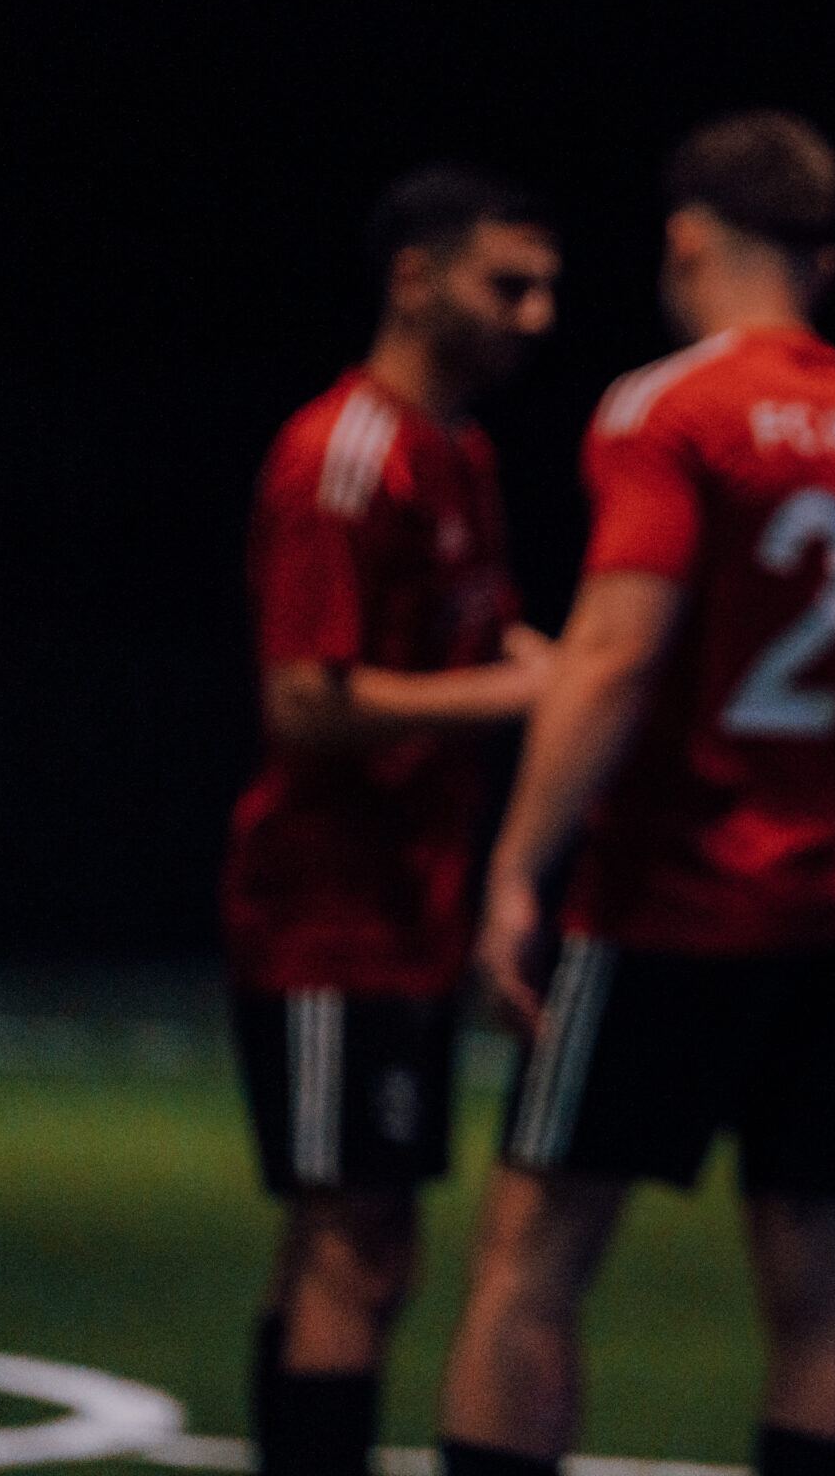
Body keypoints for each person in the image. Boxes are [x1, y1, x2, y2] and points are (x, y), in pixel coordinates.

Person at [435, 111, 835, 1476]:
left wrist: (515, 870)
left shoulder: (673, 408)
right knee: (822, 1288)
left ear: (684, 239)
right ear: (822, 262)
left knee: (531, 1264)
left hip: (669, 896)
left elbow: (613, 656)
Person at [222, 164, 562, 1476]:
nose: (535, 316)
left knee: (367, 1243)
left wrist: (582, 677)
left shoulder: (460, 453)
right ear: (414, 280)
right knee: (349, 1247)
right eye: (508, 285)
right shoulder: (343, 456)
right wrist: (528, 694)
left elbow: (489, 640)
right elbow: (304, 704)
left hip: (410, 907)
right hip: (327, 913)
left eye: (544, 289)